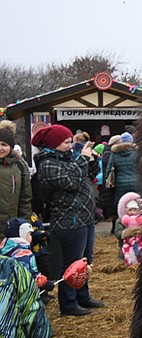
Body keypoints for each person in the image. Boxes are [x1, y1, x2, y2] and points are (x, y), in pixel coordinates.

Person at [30, 124, 104, 316]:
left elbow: (88, 175)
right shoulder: (48, 164)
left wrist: (92, 160)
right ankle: (68, 304)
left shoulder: (69, 158)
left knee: (85, 262)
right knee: (71, 264)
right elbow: (70, 182)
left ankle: (83, 297)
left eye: (71, 141)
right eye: (66, 142)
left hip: (85, 217)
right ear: (54, 144)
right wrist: (82, 159)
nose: (70, 146)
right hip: (68, 220)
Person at [0, 127, 32, 227]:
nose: (0, 148)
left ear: (11, 147)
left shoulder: (20, 166)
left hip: (10, 226)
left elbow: (25, 200)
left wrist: (25, 226)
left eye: (4, 145)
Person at [104, 132, 140, 216]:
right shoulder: (137, 152)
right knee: (138, 204)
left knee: (122, 205)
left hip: (120, 184)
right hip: (136, 183)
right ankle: (137, 224)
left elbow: (109, 169)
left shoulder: (115, 153)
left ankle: (123, 223)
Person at [117, 191, 142, 266]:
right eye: (130, 210)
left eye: (135, 210)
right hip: (126, 244)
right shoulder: (121, 220)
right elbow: (118, 232)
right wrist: (126, 233)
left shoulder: (141, 220)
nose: (133, 212)